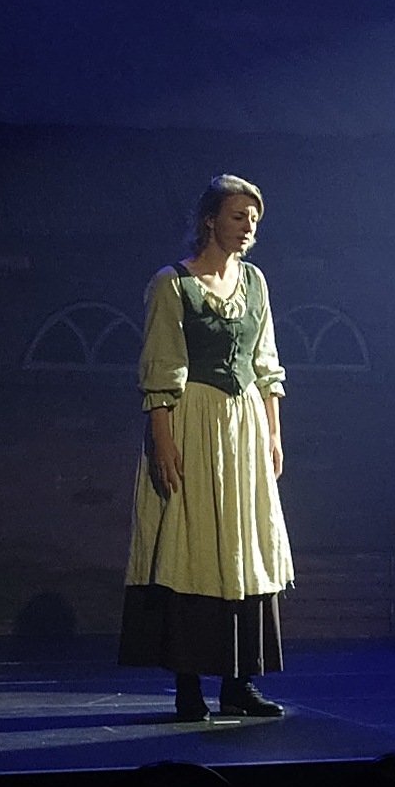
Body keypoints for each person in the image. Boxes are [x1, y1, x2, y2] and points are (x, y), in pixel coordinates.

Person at [122, 174, 293, 724]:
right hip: (192, 420)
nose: (247, 228)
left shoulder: (256, 283)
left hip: (244, 426)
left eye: (254, 220)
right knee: (192, 544)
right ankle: (188, 686)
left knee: (241, 545)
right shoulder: (173, 284)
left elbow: (266, 364)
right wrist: (163, 441)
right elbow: (161, 367)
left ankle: (239, 683)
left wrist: (273, 433)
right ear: (210, 220)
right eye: (238, 217)